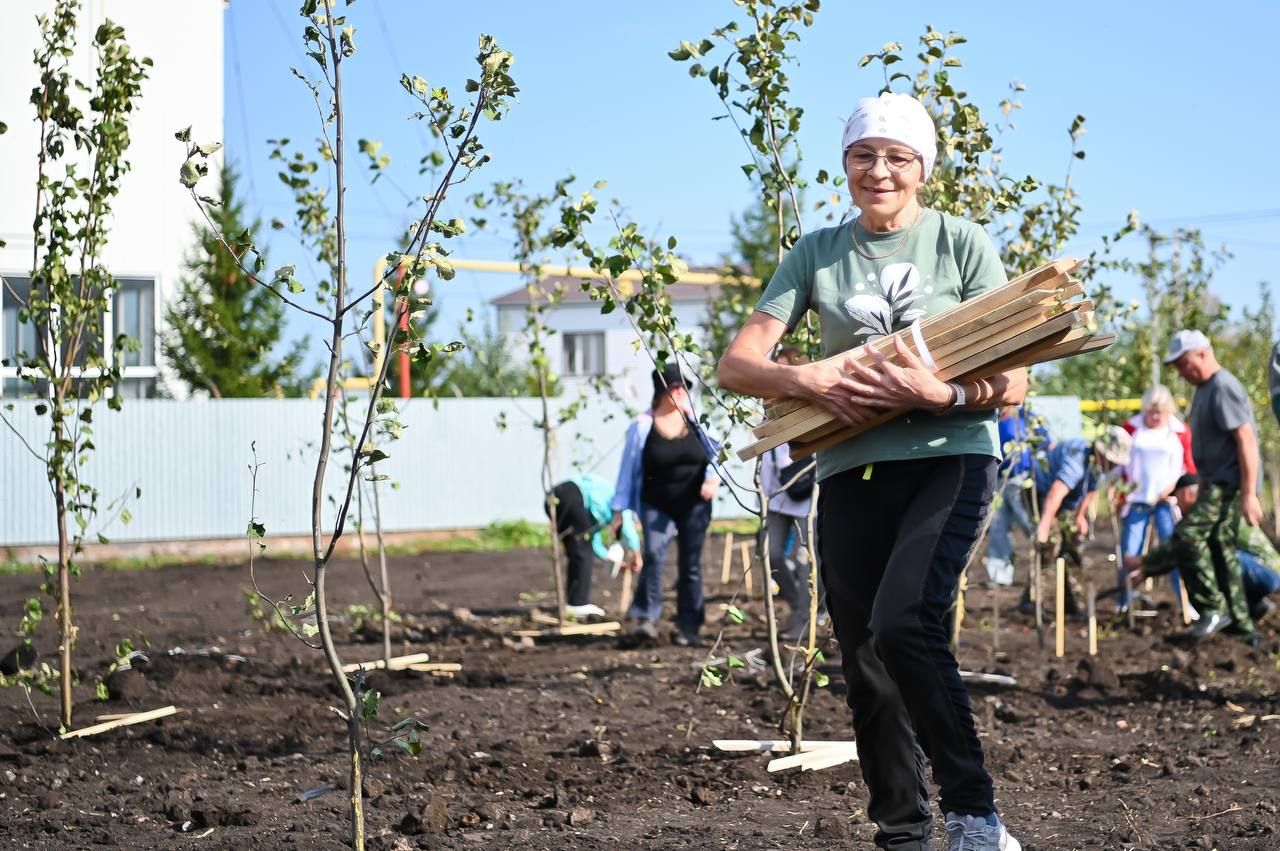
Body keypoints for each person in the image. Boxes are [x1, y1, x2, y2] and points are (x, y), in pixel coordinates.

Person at [718, 92, 1024, 851]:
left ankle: (976, 815)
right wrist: (811, 380)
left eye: (897, 157)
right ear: (845, 164)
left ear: (923, 168)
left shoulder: (960, 243)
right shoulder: (816, 252)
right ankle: (901, 832)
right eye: (864, 155)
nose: (879, 170)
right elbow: (737, 364)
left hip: (947, 457)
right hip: (850, 468)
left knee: (904, 622)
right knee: (862, 654)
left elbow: (1013, 383)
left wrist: (941, 392)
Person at [612, 362, 721, 647]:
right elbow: (628, 469)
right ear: (663, 391)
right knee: (655, 555)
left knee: (691, 563)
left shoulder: (697, 422)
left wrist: (712, 479)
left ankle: (689, 625)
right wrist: (619, 510)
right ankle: (647, 618)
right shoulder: (642, 425)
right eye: (676, 388)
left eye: (684, 388)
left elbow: (717, 454)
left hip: (694, 505)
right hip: (656, 503)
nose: (682, 393)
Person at [1165, 329, 1262, 641]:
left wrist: (1249, 494)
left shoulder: (1223, 386)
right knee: (1222, 551)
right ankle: (1245, 629)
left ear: (1203, 353)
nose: (1181, 373)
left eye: (1184, 364)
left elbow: (1246, 441)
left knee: (1188, 535)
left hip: (1230, 487)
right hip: (1215, 485)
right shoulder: (1204, 389)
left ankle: (1213, 607)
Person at [1125, 474, 1280, 624]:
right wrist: (1147, 570)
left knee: (1206, 559)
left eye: (1177, 498)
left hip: (1265, 572)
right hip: (1265, 569)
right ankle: (1255, 606)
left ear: (1186, 494)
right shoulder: (1211, 508)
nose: (1177, 505)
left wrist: (1143, 564)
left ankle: (1218, 613)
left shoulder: (1205, 513)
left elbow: (1179, 546)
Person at [1023, 427, 1132, 615]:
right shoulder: (1077, 461)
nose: (1114, 466)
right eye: (1112, 461)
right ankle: (1034, 602)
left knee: (1072, 545)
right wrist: (1045, 525)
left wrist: (1080, 515)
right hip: (1041, 494)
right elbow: (1055, 493)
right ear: (1101, 452)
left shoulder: (1098, 465)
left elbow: (1091, 489)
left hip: (1065, 502)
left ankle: (1073, 603)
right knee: (1050, 543)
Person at [760, 346, 821, 638]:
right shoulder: (768, 409)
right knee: (772, 555)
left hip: (805, 497)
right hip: (776, 498)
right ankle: (801, 607)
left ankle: (804, 619)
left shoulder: (809, 408)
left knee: (802, 559)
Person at [1115, 385, 1195, 610]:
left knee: (1174, 549)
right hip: (1138, 499)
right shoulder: (1132, 428)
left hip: (1166, 501)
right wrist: (1120, 492)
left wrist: (1172, 489)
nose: (1155, 416)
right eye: (1151, 411)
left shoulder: (1179, 431)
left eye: (1160, 411)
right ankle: (1124, 603)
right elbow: (1121, 463)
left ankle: (1188, 603)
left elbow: (1187, 467)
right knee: (1130, 550)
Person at [545, 474, 641, 619]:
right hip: (571, 494)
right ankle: (578, 604)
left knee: (578, 549)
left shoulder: (594, 513)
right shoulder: (621, 505)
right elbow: (628, 526)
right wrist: (636, 554)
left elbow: (592, 542)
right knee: (581, 551)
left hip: (554, 499)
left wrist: (611, 560)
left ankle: (574, 602)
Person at [983, 406, 1039, 587]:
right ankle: (999, 576)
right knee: (999, 527)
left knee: (1030, 523)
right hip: (999, 481)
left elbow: (1045, 441)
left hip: (1021, 481)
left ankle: (1045, 569)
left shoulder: (1026, 416)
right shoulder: (991, 416)